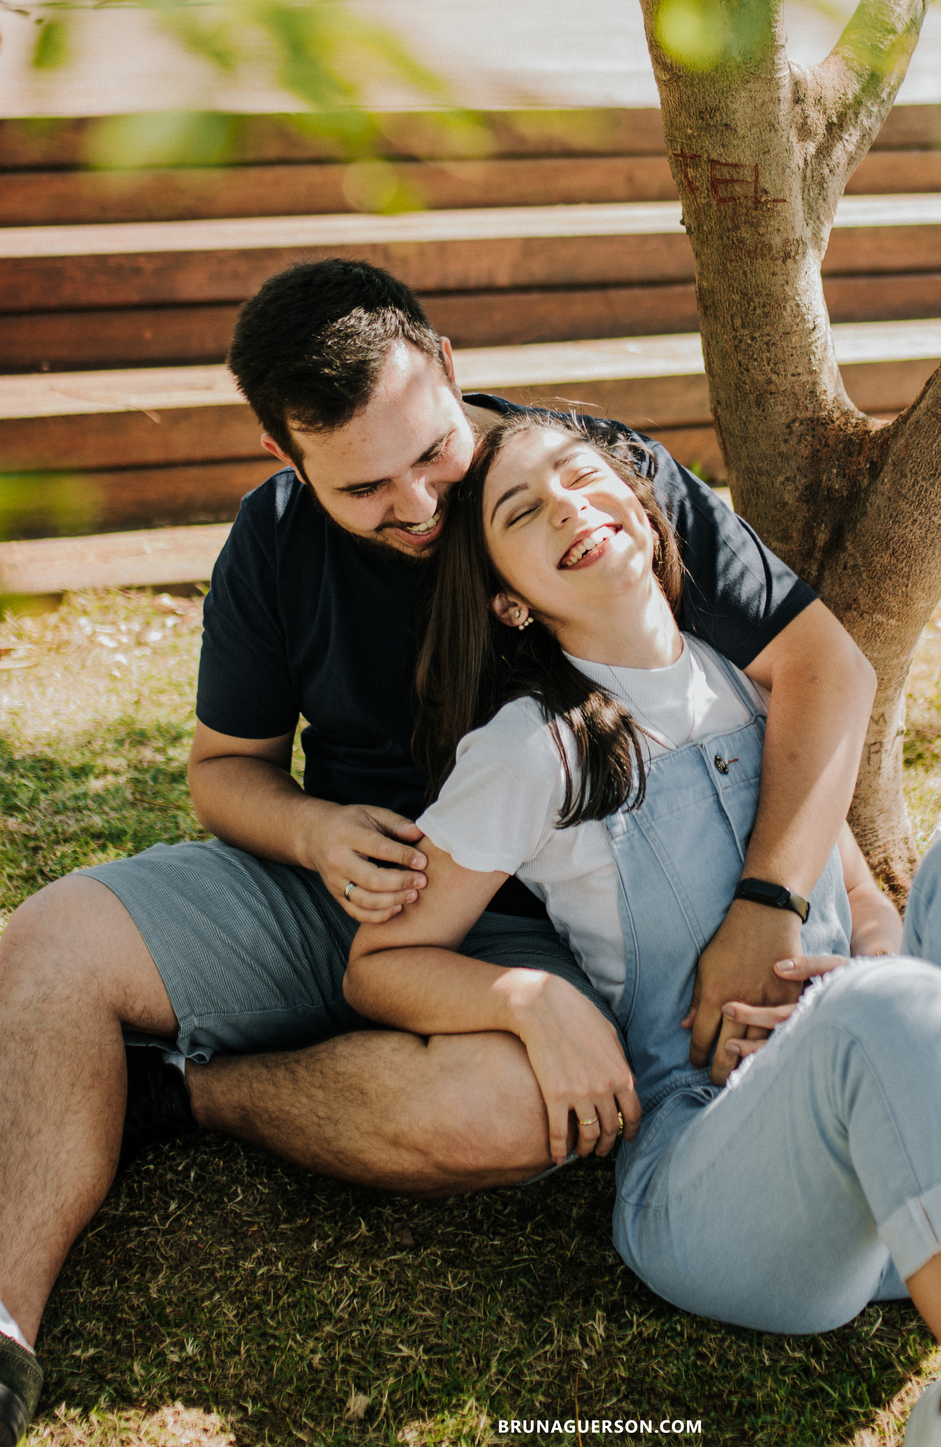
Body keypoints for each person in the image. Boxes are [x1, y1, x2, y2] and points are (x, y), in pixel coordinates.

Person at [0, 260, 877, 1447]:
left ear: (449, 368)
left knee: (512, 1117)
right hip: (345, 886)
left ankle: (192, 1092)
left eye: (431, 455)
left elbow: (820, 668)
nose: (418, 503)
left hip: (562, 923)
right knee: (46, 946)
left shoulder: (580, 480)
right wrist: (315, 830)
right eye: (365, 487)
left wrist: (773, 901)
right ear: (284, 456)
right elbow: (224, 769)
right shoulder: (272, 545)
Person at [343, 413, 941, 1447]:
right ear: (510, 600)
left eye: (582, 476)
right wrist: (530, 1002)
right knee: (889, 1008)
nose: (569, 503)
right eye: (523, 512)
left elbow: (865, 906)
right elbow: (381, 964)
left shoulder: (754, 679)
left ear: (647, 511)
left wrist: (853, 985)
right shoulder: (534, 750)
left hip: (900, 1141)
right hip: (725, 1183)